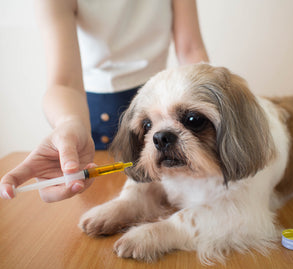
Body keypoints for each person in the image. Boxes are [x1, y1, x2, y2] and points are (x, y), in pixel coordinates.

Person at [0, 0, 208, 202]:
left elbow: (191, 51)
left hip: (162, 109)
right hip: (94, 122)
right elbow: (64, 82)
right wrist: (69, 124)